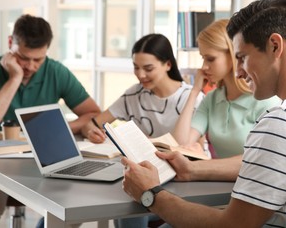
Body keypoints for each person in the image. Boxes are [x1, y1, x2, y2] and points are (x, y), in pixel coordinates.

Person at [120, 0, 286, 227]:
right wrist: (192, 169)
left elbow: (232, 225)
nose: (239, 71)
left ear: (275, 46)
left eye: (242, 58)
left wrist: (150, 193)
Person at [0, 14, 101, 227]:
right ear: (11, 43)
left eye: (38, 59)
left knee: (72, 207)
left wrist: (52, 128)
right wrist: (14, 78)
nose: (30, 66)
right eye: (23, 58)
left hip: (43, 156)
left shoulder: (56, 71)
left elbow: (93, 113)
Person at [81, 33, 204, 228]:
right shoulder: (134, 94)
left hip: (179, 179)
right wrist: (90, 131)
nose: (140, 75)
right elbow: (93, 123)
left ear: (168, 65)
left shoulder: (190, 98)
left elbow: (192, 148)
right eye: (136, 68)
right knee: (122, 201)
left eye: (148, 68)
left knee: (130, 204)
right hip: (141, 175)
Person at [172, 19, 279, 159]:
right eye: (203, 58)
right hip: (216, 179)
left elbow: (262, 159)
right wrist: (194, 92)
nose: (204, 67)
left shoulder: (265, 101)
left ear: (234, 55)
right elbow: (180, 144)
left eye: (210, 59)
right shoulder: (212, 99)